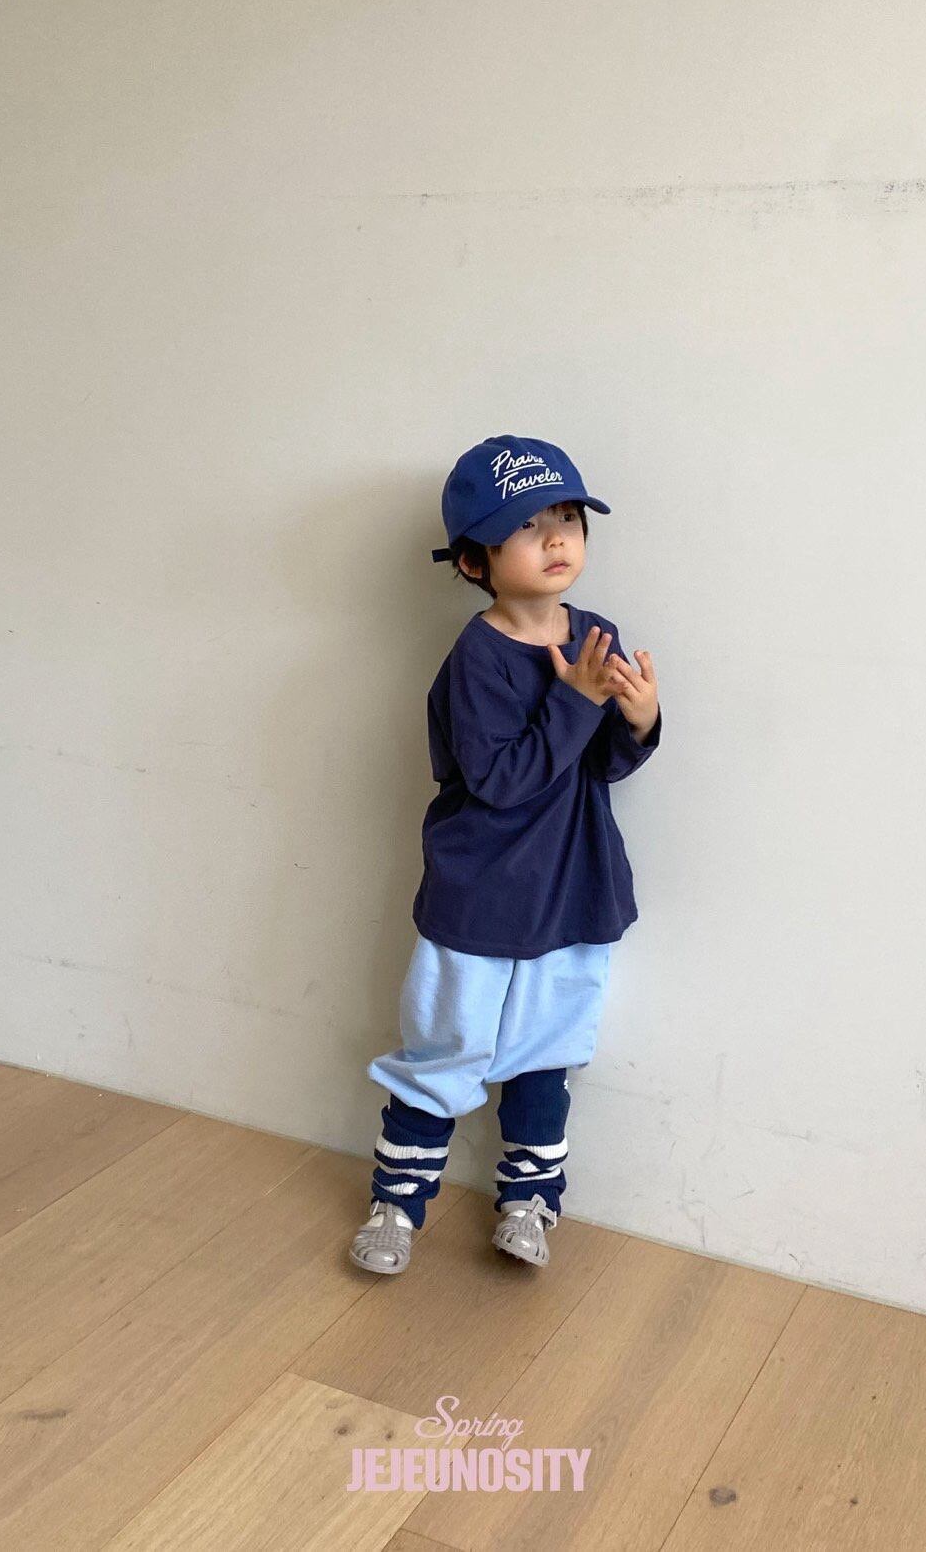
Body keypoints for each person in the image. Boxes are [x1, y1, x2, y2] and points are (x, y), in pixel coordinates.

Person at [349, 435, 662, 1275]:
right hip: (480, 896)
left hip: (572, 891)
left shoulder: (595, 636)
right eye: (527, 526)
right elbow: (499, 781)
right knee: (443, 1050)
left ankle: (529, 1203)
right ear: (473, 561)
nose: (557, 538)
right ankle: (397, 1204)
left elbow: (597, 767)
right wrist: (575, 700)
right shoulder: (476, 657)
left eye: (568, 518)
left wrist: (637, 721)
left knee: (544, 1056)